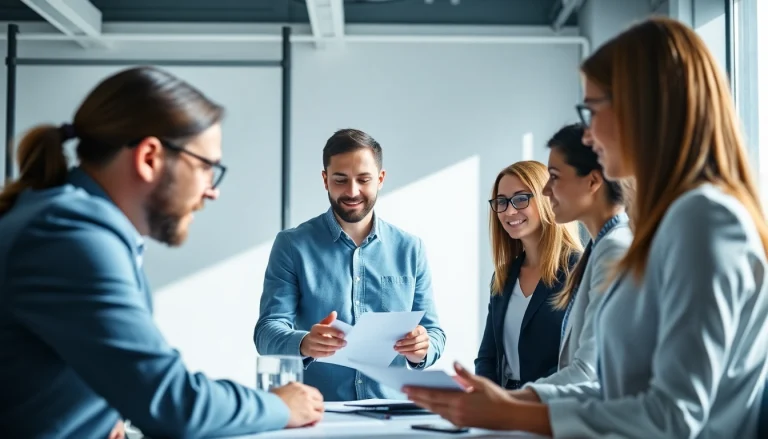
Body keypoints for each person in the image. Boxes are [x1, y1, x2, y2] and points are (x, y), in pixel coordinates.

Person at [403, 17, 768, 438]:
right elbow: (611, 389)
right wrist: (506, 401)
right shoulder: (670, 224)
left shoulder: (704, 220)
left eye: (593, 111)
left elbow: (672, 416)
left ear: (642, 108)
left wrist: (510, 414)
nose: (589, 135)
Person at [0, 66, 323, 439]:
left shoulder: (60, 219)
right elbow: (172, 403)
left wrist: (103, 416)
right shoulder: (70, 236)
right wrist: (280, 406)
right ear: (150, 157)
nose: (211, 190)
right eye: (206, 167)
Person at [254, 128, 445, 401]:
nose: (352, 191)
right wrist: (304, 342)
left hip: (392, 414)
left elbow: (434, 332)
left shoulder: (410, 248)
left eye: (363, 179)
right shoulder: (291, 245)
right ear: (325, 180)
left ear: (380, 179)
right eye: (340, 180)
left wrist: (422, 348)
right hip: (318, 413)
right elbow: (266, 333)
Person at [533, 123, 632, 386]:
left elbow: (587, 374)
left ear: (592, 181)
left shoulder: (615, 249)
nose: (545, 191)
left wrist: (505, 401)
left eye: (554, 176)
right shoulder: (600, 247)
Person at [475, 160, 582, 389]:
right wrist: (486, 400)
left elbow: (579, 360)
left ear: (546, 198)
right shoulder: (503, 276)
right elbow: (488, 357)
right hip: (504, 405)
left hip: (553, 404)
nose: (510, 211)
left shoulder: (579, 270)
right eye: (501, 202)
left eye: (521, 198)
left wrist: (524, 400)